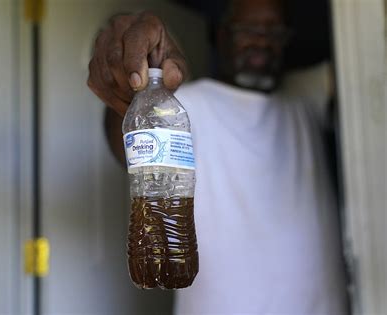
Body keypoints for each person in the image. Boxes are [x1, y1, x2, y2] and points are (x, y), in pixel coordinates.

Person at [88, 0, 349, 314]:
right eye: (248, 30)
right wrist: (130, 75)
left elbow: (366, 50)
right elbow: (126, 147)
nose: (262, 42)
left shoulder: (303, 97)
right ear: (221, 35)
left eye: (273, 32)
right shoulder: (187, 106)